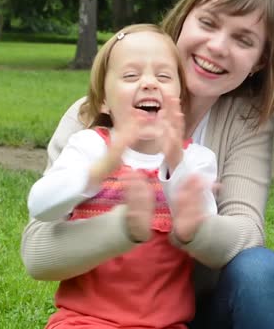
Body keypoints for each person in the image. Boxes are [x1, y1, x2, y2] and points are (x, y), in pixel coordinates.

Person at [21, 0, 274, 328]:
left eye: (243, 39)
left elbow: (247, 233)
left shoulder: (245, 122)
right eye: (208, 23)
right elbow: (37, 253)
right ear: (183, 20)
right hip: (101, 315)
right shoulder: (92, 118)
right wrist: (125, 226)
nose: (217, 47)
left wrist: (193, 229)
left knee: (260, 271)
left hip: (194, 314)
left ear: (260, 61)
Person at [27, 24, 219, 328]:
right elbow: (40, 205)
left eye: (164, 76)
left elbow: (204, 230)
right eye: (131, 75)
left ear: (179, 97)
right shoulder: (89, 145)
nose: (149, 83)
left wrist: (175, 165)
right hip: (84, 321)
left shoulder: (196, 159)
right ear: (103, 100)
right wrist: (99, 171)